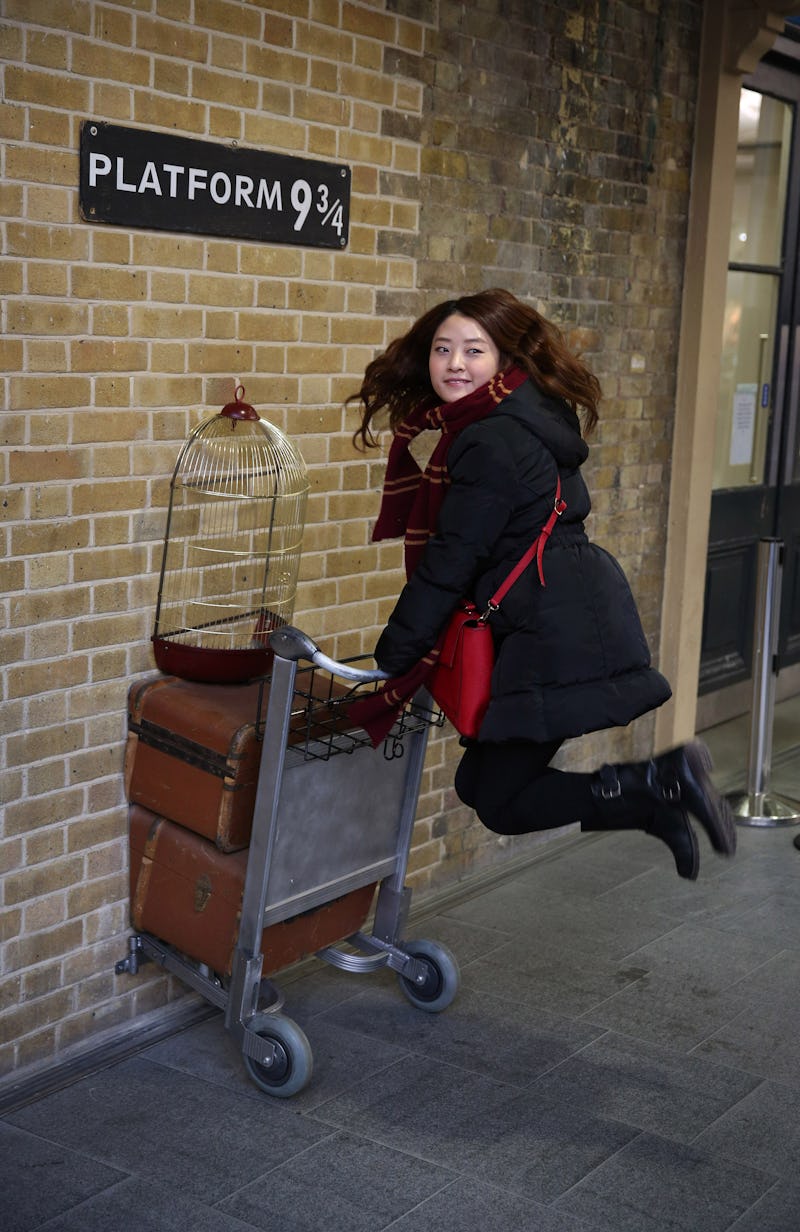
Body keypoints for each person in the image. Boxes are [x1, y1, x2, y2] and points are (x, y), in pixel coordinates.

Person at [348, 288, 735, 879]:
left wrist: (393, 657)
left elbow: (452, 560)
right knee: (480, 786)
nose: (454, 364)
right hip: (561, 609)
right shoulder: (519, 416)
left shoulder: (492, 438)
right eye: (442, 349)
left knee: (499, 798)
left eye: (474, 350)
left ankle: (661, 782)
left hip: (555, 626)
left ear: (504, 359)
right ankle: (652, 801)